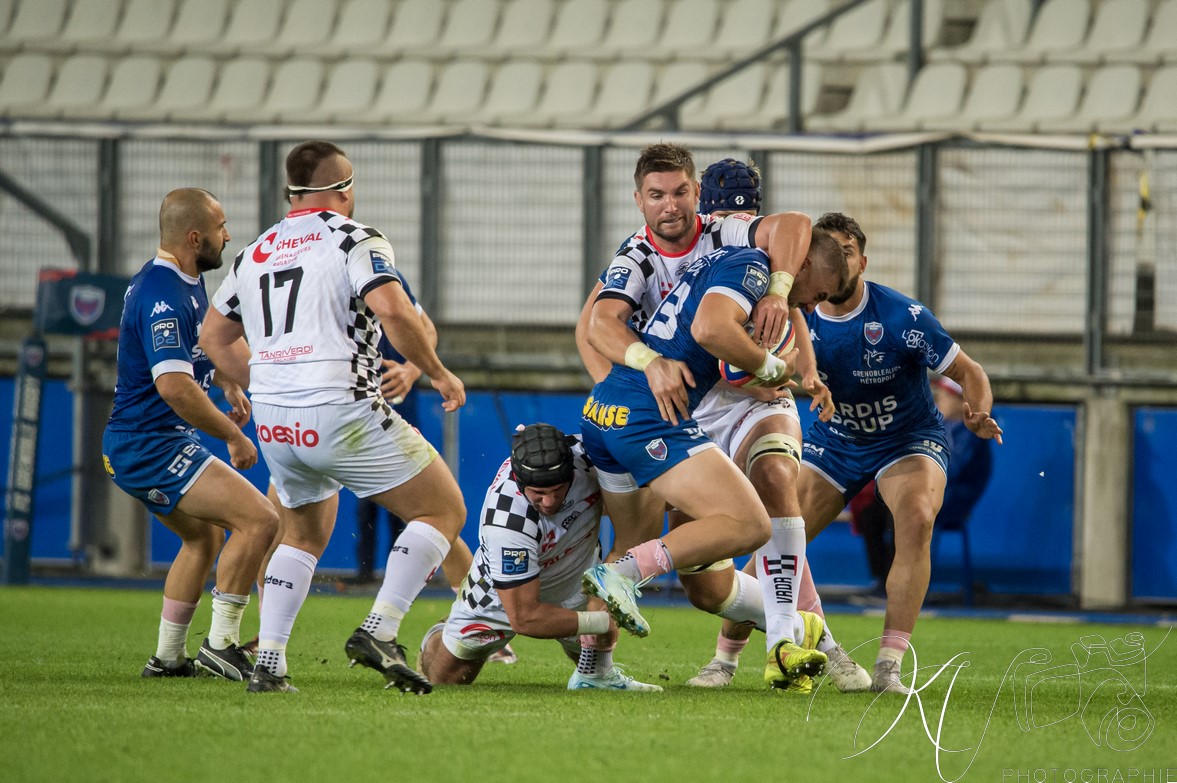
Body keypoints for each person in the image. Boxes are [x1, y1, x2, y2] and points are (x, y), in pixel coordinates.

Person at [200, 140, 468, 695]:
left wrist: (272, 381)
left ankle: (270, 663)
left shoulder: (255, 251)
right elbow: (393, 308)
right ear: (344, 188)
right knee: (444, 510)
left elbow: (213, 338)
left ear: (287, 193)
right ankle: (381, 629)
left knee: (302, 533)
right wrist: (437, 372)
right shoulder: (355, 236)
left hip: (275, 420)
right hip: (340, 405)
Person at [579, 234, 846, 679]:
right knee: (751, 524)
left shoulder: (718, 258)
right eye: (818, 292)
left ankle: (593, 667)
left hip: (604, 408)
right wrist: (773, 366)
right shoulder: (752, 266)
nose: (814, 305)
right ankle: (624, 575)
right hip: (651, 417)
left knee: (634, 541)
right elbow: (710, 330)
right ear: (800, 264)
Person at [675, 159, 871, 693]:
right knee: (704, 584)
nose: (736, 217)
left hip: (759, 404)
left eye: (745, 207)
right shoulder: (656, 253)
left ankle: (778, 644)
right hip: (688, 411)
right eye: (728, 206)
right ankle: (817, 638)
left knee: (778, 482)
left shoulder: (759, 250)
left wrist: (798, 364)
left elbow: (793, 294)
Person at [797, 212, 1003, 693]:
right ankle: (724, 658)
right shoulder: (794, 313)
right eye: (827, 252)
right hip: (836, 441)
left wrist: (977, 412)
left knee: (916, 517)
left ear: (862, 261)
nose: (838, 261)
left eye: (846, 251)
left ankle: (888, 666)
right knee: (778, 541)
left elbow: (971, 373)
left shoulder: (903, 318)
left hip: (907, 439)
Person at [101, 188, 278, 681]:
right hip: (148, 444)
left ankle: (167, 658)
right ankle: (222, 644)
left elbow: (196, 349)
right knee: (261, 521)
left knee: (203, 539)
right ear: (195, 236)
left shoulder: (185, 280)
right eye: (221, 226)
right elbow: (175, 386)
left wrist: (225, 381)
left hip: (147, 441)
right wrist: (234, 436)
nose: (228, 235)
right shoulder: (163, 293)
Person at [418, 423, 660, 690]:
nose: (550, 502)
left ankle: (598, 676)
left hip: (577, 580)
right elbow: (525, 617)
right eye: (540, 494)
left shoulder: (591, 459)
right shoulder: (506, 522)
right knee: (445, 681)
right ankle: (442, 633)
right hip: (500, 599)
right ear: (521, 483)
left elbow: (647, 486)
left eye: (558, 490)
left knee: (594, 654)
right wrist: (604, 620)